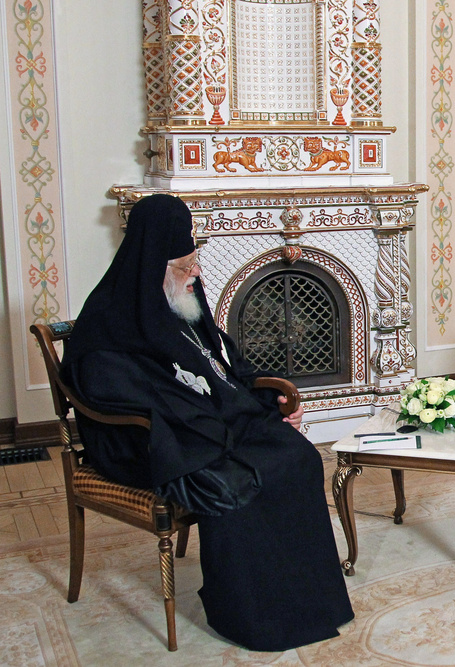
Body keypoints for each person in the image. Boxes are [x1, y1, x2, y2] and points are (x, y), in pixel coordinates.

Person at [61, 194, 353, 651]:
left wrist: (266, 395)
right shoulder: (108, 321)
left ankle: (311, 602)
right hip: (147, 443)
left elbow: (225, 366)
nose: (195, 275)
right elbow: (115, 396)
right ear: (151, 266)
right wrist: (216, 420)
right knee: (239, 481)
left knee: (296, 456)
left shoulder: (182, 303)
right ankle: (252, 614)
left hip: (203, 428)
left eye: (194, 262)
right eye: (184, 266)